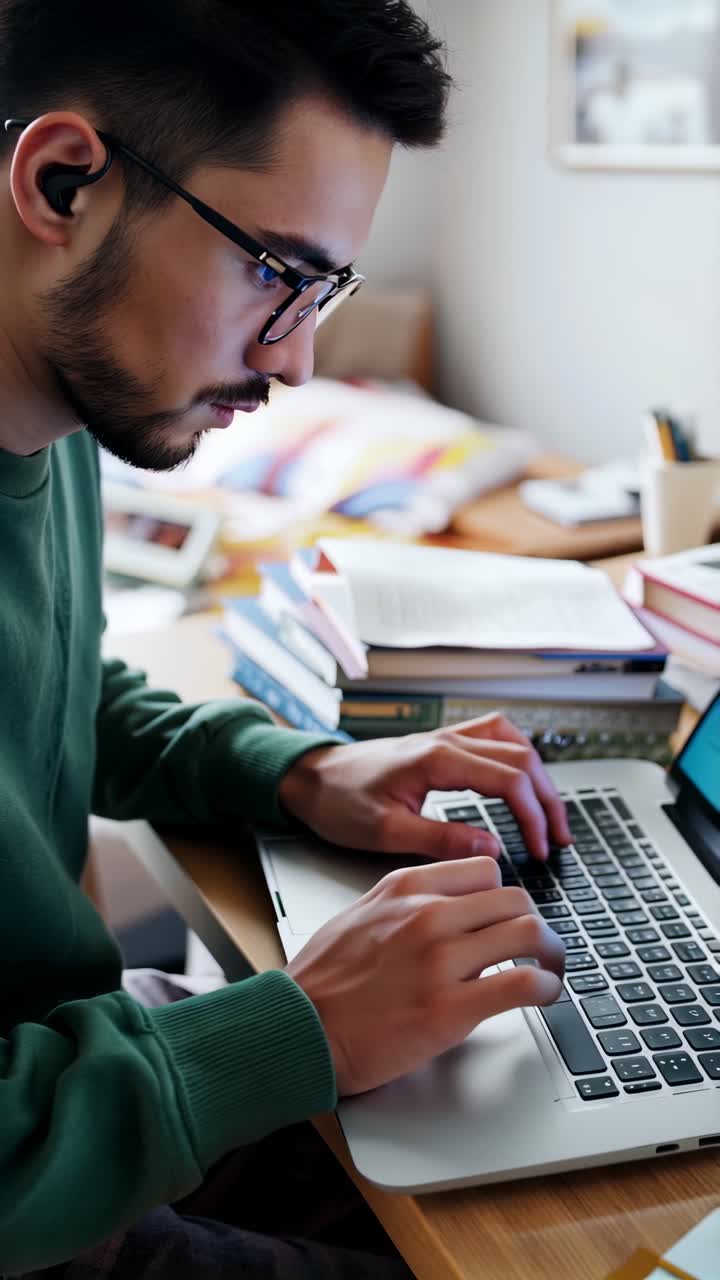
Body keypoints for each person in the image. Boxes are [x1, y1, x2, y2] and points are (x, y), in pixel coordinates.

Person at [0, 2, 570, 1276]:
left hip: (81, 1058)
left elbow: (57, 692)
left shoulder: (54, 418)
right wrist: (296, 1024)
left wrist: (296, 768)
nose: (301, 358)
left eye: (325, 289)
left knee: (527, 1119)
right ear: (61, 180)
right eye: (274, 270)